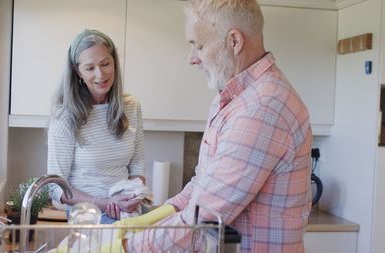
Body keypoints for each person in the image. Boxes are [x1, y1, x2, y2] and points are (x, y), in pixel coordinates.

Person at [114, 0, 313, 252]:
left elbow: (203, 218)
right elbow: (203, 184)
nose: (191, 59)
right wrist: (153, 217)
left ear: (234, 42)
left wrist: (120, 248)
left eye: (199, 45)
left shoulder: (263, 107)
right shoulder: (230, 98)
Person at [47, 29, 146, 224]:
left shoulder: (131, 107)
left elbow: (137, 166)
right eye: (90, 68)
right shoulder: (65, 116)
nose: (100, 74)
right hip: (87, 214)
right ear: (78, 72)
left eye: (105, 64)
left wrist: (133, 196)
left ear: (114, 63)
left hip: (128, 210)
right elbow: (56, 187)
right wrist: (104, 202)